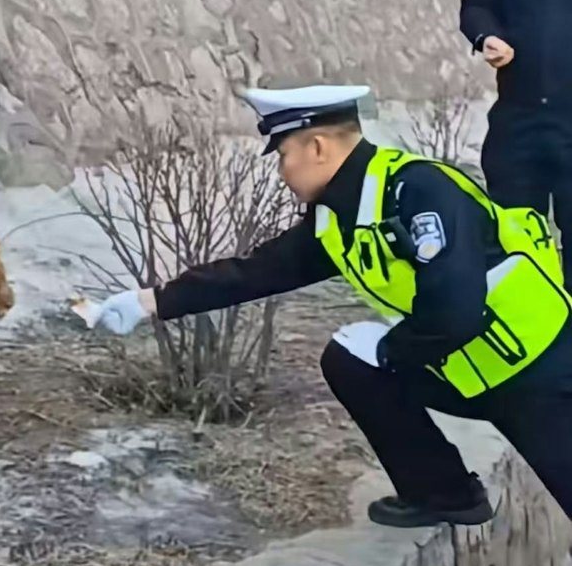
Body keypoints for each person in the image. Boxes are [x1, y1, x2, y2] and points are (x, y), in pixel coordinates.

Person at [87, 84, 572, 529]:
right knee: (351, 359)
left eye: (283, 156)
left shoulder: (418, 190)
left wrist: (395, 355)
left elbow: (456, 307)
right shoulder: (339, 216)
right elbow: (255, 271)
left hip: (540, 373)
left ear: (317, 148)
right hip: (472, 368)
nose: (282, 172)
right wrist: (150, 302)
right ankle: (443, 494)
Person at [460, 0, 572, 286]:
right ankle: (529, 329)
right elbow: (476, 4)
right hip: (518, 118)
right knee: (515, 235)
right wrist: (487, 36)